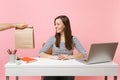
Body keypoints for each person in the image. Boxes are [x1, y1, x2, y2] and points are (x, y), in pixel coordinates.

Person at [39, 15, 87, 80]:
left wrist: (68, 57)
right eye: (55, 24)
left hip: (68, 68)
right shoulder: (52, 38)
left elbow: (84, 54)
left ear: (65, 25)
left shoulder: (73, 39)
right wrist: (54, 57)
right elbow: (40, 53)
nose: (55, 26)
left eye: (58, 24)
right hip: (53, 68)